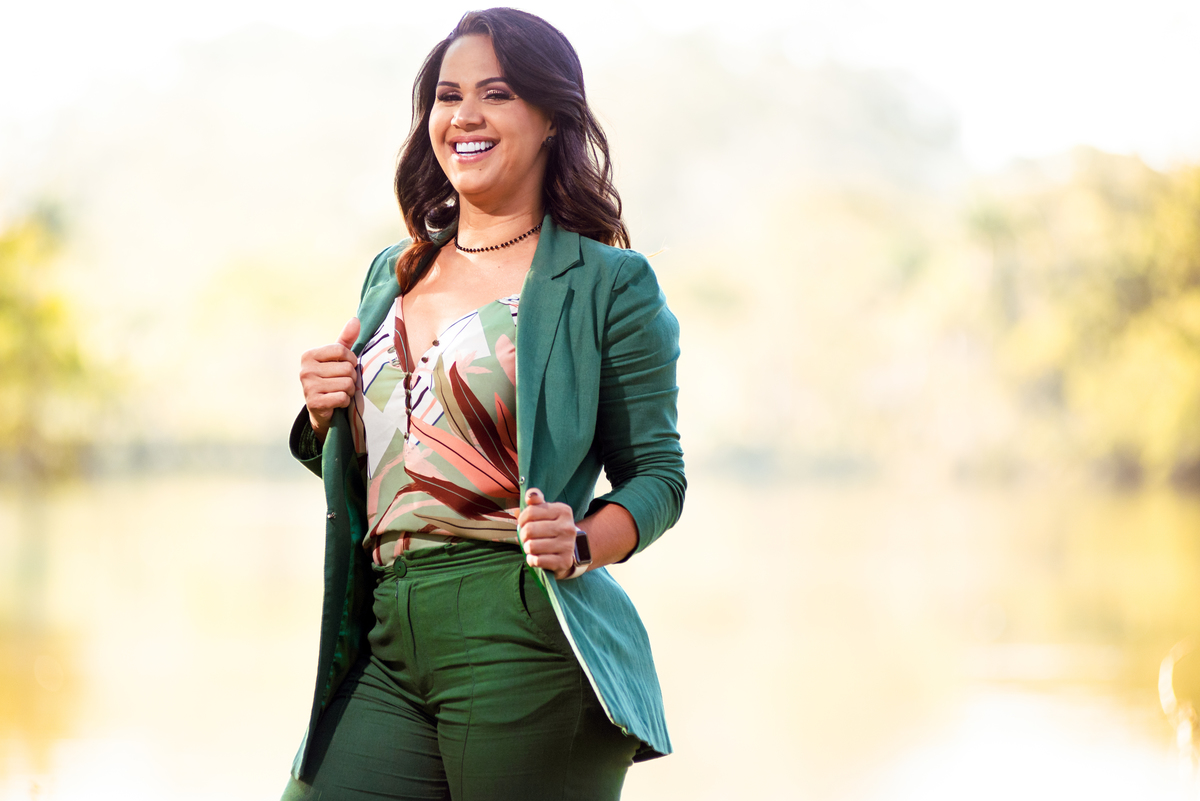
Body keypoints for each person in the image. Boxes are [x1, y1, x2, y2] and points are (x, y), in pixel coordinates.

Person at [282, 8, 684, 800]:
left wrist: (580, 540)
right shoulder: (392, 272)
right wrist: (328, 414)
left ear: (551, 118)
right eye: (448, 95)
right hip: (385, 625)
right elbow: (398, 461)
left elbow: (659, 477)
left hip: (524, 629)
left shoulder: (608, 284)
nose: (464, 115)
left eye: (496, 94)